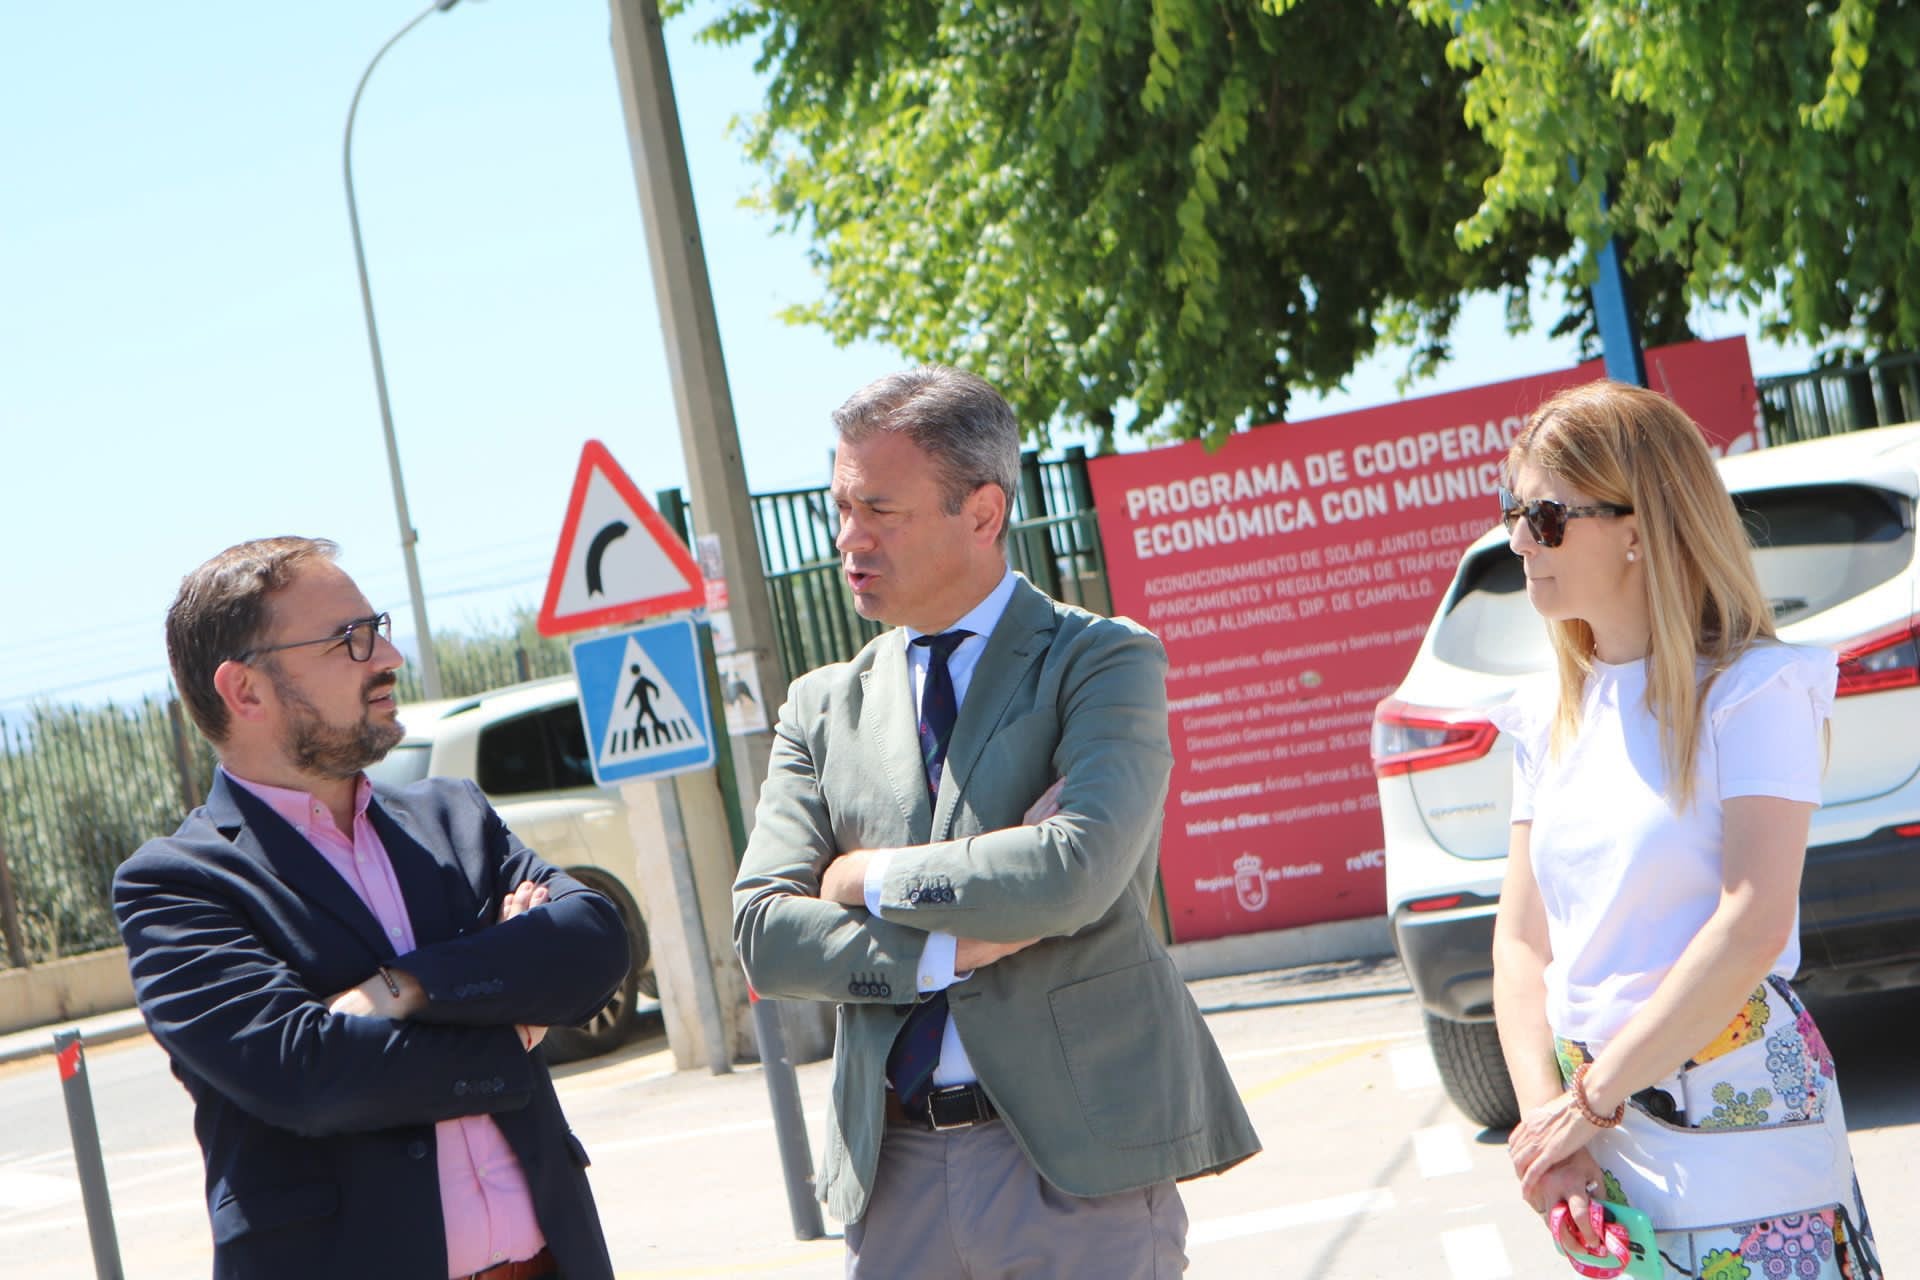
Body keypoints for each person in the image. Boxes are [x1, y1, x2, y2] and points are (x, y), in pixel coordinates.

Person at [732, 366, 1259, 1277]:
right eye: (839, 508)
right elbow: (766, 935)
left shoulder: (1101, 661)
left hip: (1076, 1174)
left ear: (981, 513)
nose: (847, 541)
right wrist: (944, 951)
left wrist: (866, 879)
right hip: (892, 1181)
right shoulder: (820, 708)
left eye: (879, 511)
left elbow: (1074, 872)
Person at [114, 537, 630, 1280]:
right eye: (349, 640)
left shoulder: (454, 819)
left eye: (377, 627)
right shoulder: (177, 885)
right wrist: (511, 1018)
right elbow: (308, 1074)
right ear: (245, 691)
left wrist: (405, 989)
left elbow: (591, 943)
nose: (387, 655)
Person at [1488, 382, 1882, 1278]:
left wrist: (1585, 1104)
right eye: (1514, 510)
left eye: (1546, 517)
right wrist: (1552, 1133)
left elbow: (1751, 926)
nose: (1519, 539)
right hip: (1599, 1133)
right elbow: (1519, 943)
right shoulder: (1545, 714)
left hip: (1738, 1118)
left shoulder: (1752, 692)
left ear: (1639, 524)